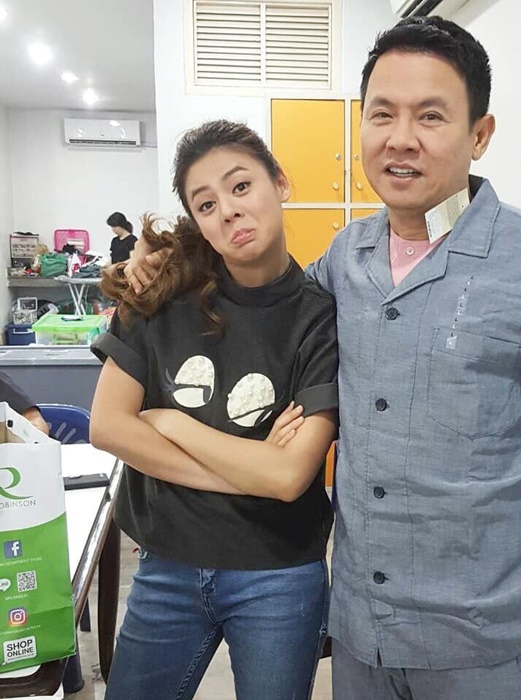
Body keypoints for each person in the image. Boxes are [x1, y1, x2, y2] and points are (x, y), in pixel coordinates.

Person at [121, 17, 521, 700]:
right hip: (363, 639)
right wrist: (169, 256)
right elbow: (259, 297)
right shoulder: (344, 260)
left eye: (431, 116)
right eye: (382, 114)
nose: (401, 138)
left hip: (488, 648)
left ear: (480, 135)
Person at [90, 120, 338, 700]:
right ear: (197, 221)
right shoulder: (160, 292)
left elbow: (287, 477)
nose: (228, 211)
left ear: (280, 183)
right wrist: (247, 470)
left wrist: (172, 423)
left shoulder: (320, 318)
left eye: (241, 186)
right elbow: (108, 426)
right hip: (168, 564)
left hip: (279, 573)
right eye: (206, 204)